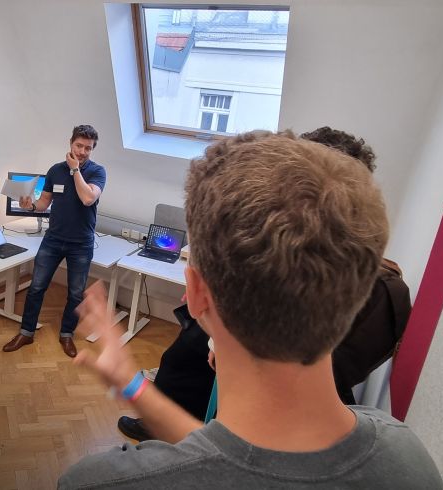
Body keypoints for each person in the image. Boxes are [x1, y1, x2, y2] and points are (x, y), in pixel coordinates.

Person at [60, 131, 442, 488]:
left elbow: (219, 464)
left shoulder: (95, 481)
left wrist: (131, 383)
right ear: (356, 292)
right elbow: (236, 461)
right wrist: (133, 386)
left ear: (196, 292)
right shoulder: (408, 459)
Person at [117, 126, 412, 441]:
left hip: (265, 391)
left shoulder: (373, 289)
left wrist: (226, 346)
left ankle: (162, 426)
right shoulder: (402, 446)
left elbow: (326, 371)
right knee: (180, 362)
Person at [3, 125, 106, 358]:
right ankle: (26, 332)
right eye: (79, 146)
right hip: (53, 239)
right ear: (71, 143)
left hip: (81, 244)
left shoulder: (97, 172)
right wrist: (29, 206)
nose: (82, 151)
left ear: (92, 149)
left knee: (76, 293)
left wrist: (75, 170)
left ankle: (66, 334)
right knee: (37, 287)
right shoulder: (55, 170)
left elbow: (88, 198)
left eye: (88, 148)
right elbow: (44, 203)